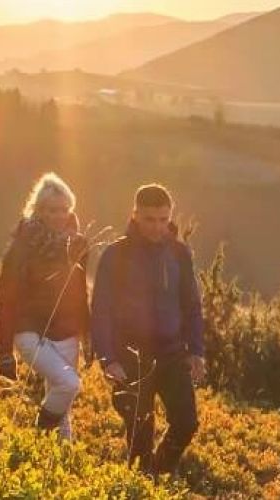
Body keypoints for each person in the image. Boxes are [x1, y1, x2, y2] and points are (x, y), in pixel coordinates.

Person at [91, 184, 208, 476]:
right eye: (149, 219)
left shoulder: (180, 254)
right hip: (130, 357)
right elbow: (101, 311)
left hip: (172, 355)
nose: (157, 227)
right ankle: (142, 481)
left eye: (163, 219)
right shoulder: (114, 256)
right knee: (140, 435)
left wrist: (195, 350)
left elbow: (192, 305)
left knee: (186, 423)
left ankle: (154, 472)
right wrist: (108, 358)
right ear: (135, 215)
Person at [0, 173, 92, 440]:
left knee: (62, 404)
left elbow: (79, 293)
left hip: (66, 332)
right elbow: (5, 298)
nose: (59, 216)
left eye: (64, 210)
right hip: (30, 332)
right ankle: (39, 431)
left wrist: (87, 333)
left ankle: (59, 459)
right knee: (69, 384)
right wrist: (4, 352)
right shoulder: (22, 246)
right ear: (38, 210)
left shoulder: (77, 245)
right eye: (51, 210)